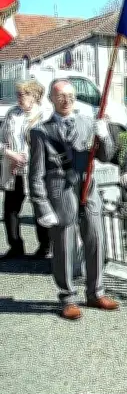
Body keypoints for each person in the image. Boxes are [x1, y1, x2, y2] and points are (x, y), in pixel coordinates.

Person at [27, 79, 119, 320]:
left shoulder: (88, 122)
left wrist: (105, 134)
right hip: (61, 194)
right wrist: (41, 205)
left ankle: (95, 292)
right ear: (51, 100)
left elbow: (107, 155)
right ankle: (67, 297)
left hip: (88, 189)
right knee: (64, 248)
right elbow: (35, 174)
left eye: (70, 95)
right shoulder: (41, 132)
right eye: (60, 96)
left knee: (96, 241)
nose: (66, 100)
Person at [0, 79, 51, 260]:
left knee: (39, 207)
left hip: (36, 170)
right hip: (13, 169)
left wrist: (26, 159)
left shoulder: (45, 115)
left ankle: (45, 246)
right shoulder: (12, 114)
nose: (19, 98)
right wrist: (10, 154)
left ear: (35, 96)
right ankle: (15, 246)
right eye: (18, 94)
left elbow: (48, 145)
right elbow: (1, 140)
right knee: (10, 210)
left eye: (24, 94)